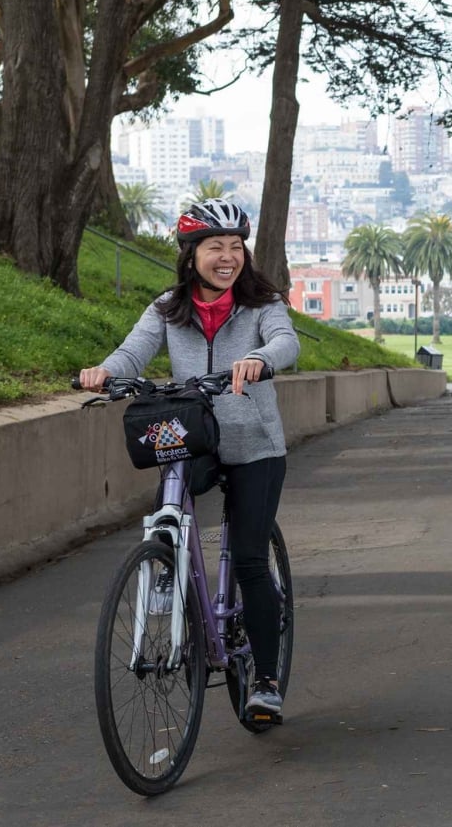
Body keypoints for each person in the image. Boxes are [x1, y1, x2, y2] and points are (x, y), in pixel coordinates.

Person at [78, 199, 299, 719]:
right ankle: (165, 569)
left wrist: (259, 358)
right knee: (165, 517)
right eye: (215, 247)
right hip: (193, 435)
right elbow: (133, 351)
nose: (227, 257)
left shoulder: (262, 303)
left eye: (235, 246)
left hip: (255, 445)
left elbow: (286, 343)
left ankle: (264, 680)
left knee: (248, 558)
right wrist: (105, 372)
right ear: (190, 253)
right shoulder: (167, 308)